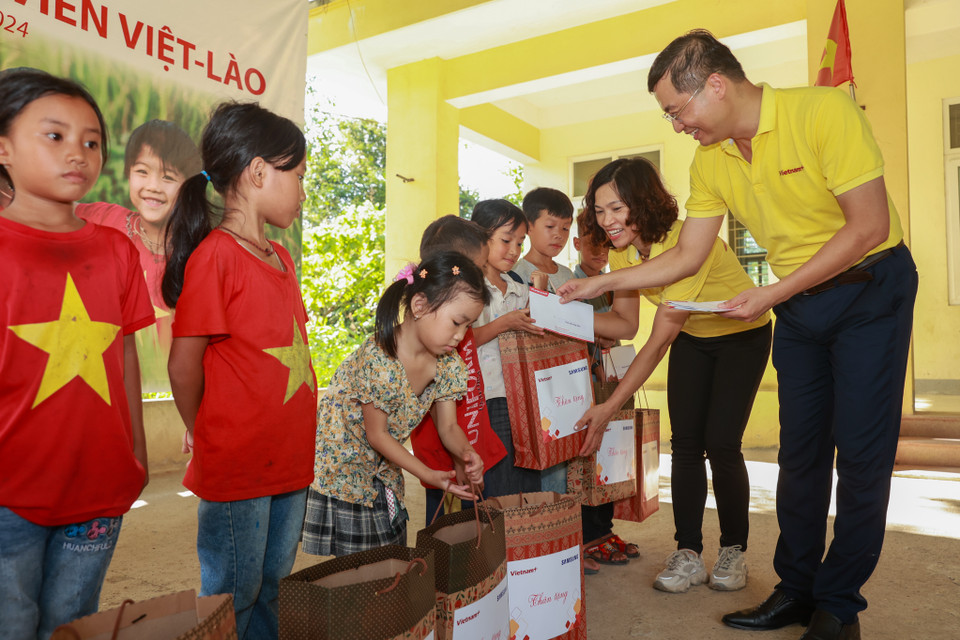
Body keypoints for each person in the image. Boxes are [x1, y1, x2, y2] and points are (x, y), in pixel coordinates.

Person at [559, 30, 917, 640]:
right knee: (799, 455)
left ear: (716, 85)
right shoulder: (712, 159)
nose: (676, 125)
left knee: (860, 455)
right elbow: (688, 256)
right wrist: (595, 287)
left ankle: (838, 607)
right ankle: (796, 589)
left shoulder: (824, 111)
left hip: (870, 288)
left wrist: (774, 293)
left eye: (677, 109)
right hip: (798, 305)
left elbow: (868, 226)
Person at [0, 68, 153, 640]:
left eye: (92, 141)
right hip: (8, 493)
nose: (78, 154)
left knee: (72, 625)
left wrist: (135, 450)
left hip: (100, 488)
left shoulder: (115, 249)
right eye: (55, 136)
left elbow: (126, 354)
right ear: (4, 148)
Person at [574, 157, 772, 592]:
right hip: (694, 337)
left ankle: (733, 550)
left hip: (742, 336)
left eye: (616, 208)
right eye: (599, 210)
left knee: (721, 443)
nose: (607, 221)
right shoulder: (624, 249)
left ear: (642, 202)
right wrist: (560, 317)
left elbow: (659, 340)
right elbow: (625, 324)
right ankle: (688, 552)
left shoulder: (688, 242)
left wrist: (609, 407)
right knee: (683, 444)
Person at [163, 102, 317, 640]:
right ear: (257, 173)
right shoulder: (216, 257)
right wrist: (202, 428)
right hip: (238, 464)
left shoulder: (281, 258)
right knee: (233, 590)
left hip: (291, 458)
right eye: (297, 176)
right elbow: (184, 366)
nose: (302, 190)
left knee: (273, 583)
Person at [304, 251, 489, 557]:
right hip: (344, 471)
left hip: (384, 469)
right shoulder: (378, 360)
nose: (460, 335)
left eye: (468, 326)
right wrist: (426, 474)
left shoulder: (448, 364)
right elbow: (377, 435)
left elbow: (449, 427)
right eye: (457, 322)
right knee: (362, 568)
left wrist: (466, 453)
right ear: (419, 305)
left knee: (392, 553)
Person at [77, 120, 201, 387]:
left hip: (174, 392)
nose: (153, 186)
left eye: (168, 177)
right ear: (128, 173)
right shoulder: (103, 219)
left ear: (188, 186)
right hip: (107, 384)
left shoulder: (201, 251)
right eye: (142, 171)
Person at [413, 214, 506, 521]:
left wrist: (466, 453)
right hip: (445, 448)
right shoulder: (432, 338)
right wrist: (457, 457)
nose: (484, 276)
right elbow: (441, 423)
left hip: (468, 432)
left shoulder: (455, 321)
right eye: (479, 268)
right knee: (446, 526)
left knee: (476, 522)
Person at [571, 218, 641, 572]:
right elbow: (575, 330)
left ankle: (605, 530)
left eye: (606, 244)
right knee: (586, 463)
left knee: (610, 462)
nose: (600, 251)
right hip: (586, 384)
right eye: (592, 243)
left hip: (615, 380)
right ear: (576, 243)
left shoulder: (620, 280)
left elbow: (621, 331)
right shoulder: (574, 284)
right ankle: (588, 536)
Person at [469, 200, 544, 497]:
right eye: (506, 240)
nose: (514, 250)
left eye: (520, 242)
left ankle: (523, 542)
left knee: (526, 481)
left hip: (522, 397)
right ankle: (492, 544)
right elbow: (462, 341)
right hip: (485, 398)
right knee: (496, 486)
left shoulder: (518, 288)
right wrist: (505, 323)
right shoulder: (468, 287)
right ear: (480, 237)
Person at [512, 187, 576, 293]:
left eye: (565, 228)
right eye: (550, 226)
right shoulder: (516, 274)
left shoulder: (567, 275)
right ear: (528, 227)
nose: (559, 235)